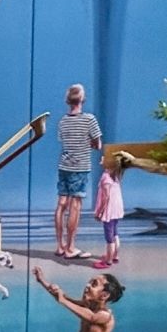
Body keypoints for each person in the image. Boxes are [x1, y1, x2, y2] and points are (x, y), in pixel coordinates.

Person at [54, 85, 103, 259]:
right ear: (82, 99)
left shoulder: (63, 121)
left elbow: (64, 141)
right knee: (75, 205)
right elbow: (98, 144)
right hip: (80, 167)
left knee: (61, 204)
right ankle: (70, 247)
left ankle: (60, 246)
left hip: (64, 166)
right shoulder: (89, 119)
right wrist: (88, 143)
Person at [94, 149, 125, 268]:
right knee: (115, 233)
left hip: (109, 211)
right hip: (116, 210)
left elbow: (105, 197)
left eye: (103, 159)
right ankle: (115, 256)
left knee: (109, 237)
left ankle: (108, 260)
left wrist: (99, 212)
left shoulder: (105, 177)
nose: (101, 160)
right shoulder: (116, 175)